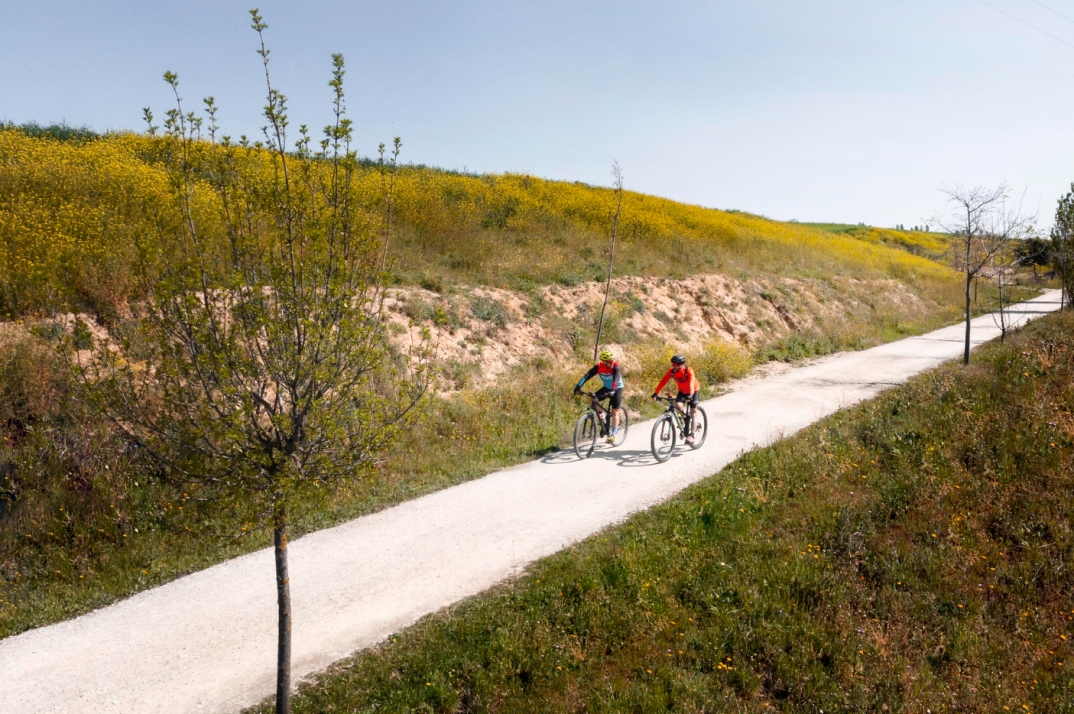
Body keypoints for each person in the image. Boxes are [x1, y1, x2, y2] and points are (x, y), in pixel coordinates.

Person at [574, 349, 624, 443]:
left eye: (612, 360)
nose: (612, 362)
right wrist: (578, 386)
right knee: (594, 399)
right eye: (609, 361)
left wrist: (613, 390)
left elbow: (616, 379)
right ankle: (604, 421)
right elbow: (587, 376)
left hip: (617, 388)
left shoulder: (615, 366)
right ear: (604, 362)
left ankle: (613, 435)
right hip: (606, 388)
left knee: (614, 411)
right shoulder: (599, 367)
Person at [651, 353, 700, 445]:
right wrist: (655, 393)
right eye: (672, 364)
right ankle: (685, 419)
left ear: (681, 364)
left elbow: (691, 383)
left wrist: (690, 395)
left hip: (693, 390)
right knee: (677, 406)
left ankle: (691, 436)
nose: (673, 366)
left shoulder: (688, 370)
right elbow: (663, 382)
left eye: (675, 364)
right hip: (682, 391)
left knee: (693, 412)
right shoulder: (672, 371)